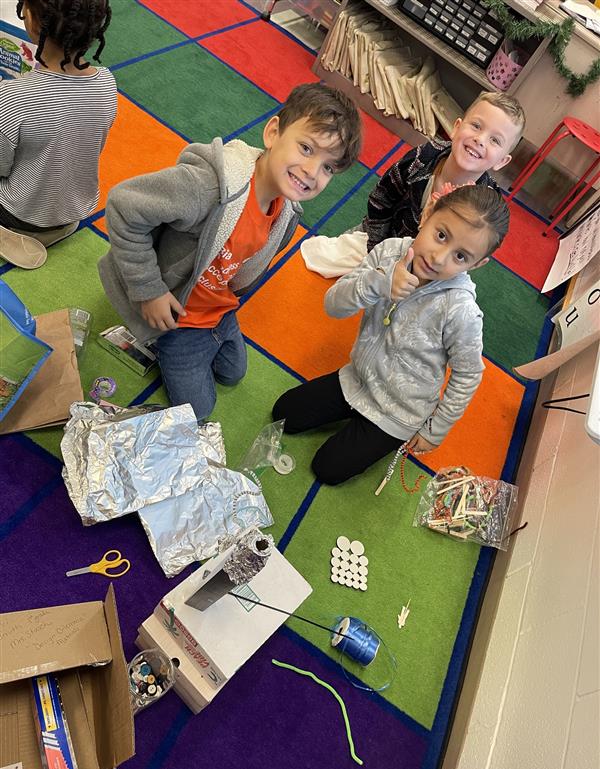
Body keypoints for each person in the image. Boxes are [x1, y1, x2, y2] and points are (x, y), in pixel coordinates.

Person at [99, 83, 362, 422]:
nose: (313, 171)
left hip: (220, 310)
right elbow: (122, 206)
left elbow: (244, 267)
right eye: (306, 148)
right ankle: (158, 344)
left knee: (233, 373)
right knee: (199, 410)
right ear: (273, 133)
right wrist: (149, 291)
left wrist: (224, 308)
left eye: (329, 167)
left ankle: (210, 333)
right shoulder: (208, 187)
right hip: (180, 316)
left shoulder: (287, 214)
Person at [272, 184, 510, 486]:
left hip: (400, 412)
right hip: (356, 379)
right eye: (441, 235)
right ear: (428, 214)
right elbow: (333, 306)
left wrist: (433, 430)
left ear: (477, 264)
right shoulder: (388, 251)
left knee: (327, 468)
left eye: (460, 256)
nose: (438, 258)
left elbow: (468, 374)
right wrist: (379, 283)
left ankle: (379, 435)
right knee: (283, 414)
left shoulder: (460, 310)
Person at [0, 0, 116, 270]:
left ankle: (14, 236)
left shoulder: (13, 98)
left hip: (20, 214)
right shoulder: (108, 83)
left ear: (31, 20)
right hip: (73, 211)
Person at [364, 91, 524, 250]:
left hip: (433, 265)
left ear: (502, 161)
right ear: (456, 127)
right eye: (476, 126)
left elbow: (470, 253)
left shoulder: (486, 207)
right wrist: (376, 251)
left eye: (495, 140)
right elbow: (381, 198)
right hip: (380, 241)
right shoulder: (422, 158)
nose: (480, 140)